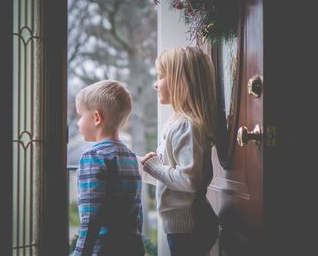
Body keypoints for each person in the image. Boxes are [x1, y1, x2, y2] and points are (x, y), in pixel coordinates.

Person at [140, 47, 219, 256]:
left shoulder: (187, 126)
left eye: (162, 76)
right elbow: (170, 178)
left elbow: (188, 180)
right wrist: (142, 168)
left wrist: (155, 167)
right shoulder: (177, 124)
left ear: (180, 82)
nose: (156, 84)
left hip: (190, 227)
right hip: (185, 226)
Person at [72, 80, 145, 256]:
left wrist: (80, 253)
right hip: (132, 247)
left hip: (104, 249)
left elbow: (91, 217)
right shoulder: (130, 157)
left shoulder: (92, 157)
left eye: (80, 115)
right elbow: (138, 210)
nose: (77, 123)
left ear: (96, 118)